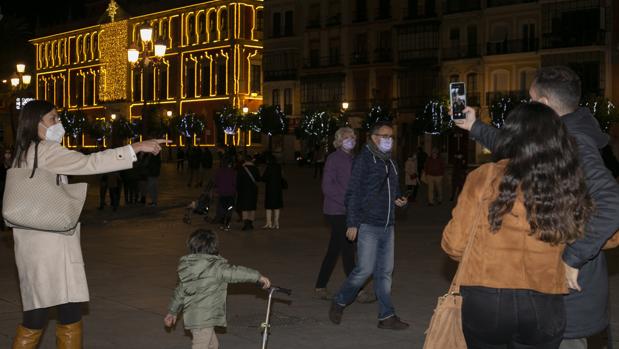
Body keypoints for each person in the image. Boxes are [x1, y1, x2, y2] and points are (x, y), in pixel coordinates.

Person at [454, 66, 619, 349]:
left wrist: (573, 257)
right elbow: (518, 147)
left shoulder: (576, 143)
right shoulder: (558, 135)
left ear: (543, 105)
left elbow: (612, 201)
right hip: (548, 297)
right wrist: (475, 127)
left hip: (566, 298)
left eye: (530, 99)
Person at [9, 100, 164, 349]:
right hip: (50, 247)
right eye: (53, 119)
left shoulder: (23, 152)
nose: (58, 123)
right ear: (35, 123)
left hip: (34, 245)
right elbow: (90, 163)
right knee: (41, 315)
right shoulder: (46, 151)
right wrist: (135, 147)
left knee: (64, 309)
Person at [442, 102, 594, 348]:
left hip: (486, 298)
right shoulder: (566, 180)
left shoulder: (484, 176)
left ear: (510, 135)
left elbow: (454, 244)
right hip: (544, 299)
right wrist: (573, 258)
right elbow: (606, 234)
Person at [329, 121, 409, 330]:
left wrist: (400, 199)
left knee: (384, 273)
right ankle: (339, 301)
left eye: (391, 137)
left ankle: (386, 316)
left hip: (388, 225)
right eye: (385, 136)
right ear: (374, 137)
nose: (389, 140)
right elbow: (352, 193)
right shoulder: (364, 160)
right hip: (368, 225)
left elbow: (394, 190)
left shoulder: (391, 163)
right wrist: (353, 223)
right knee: (364, 270)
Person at [164, 229, 271, 349]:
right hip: (204, 319)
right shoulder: (216, 267)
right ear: (214, 246)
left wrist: (172, 312)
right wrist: (257, 277)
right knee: (201, 346)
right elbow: (236, 273)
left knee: (213, 345)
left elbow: (180, 291)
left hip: (195, 317)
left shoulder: (188, 267)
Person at [314, 127, 357, 300]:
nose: (351, 140)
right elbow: (327, 187)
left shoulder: (354, 158)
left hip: (350, 210)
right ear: (339, 141)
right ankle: (357, 290)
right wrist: (346, 200)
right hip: (336, 210)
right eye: (347, 137)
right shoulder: (333, 159)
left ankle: (320, 286)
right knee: (348, 249)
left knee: (334, 249)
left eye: (353, 137)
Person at [236, 155, 260, 230]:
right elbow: (258, 179)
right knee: (252, 207)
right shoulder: (256, 169)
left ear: (245, 161)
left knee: (245, 207)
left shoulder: (241, 169)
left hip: (243, 191)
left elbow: (238, 181)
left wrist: (238, 190)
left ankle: (246, 224)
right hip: (253, 190)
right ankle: (250, 223)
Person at [261, 154, 283, 229]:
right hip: (277, 189)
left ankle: (269, 223)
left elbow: (264, 178)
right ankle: (276, 223)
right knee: (276, 207)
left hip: (270, 189)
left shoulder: (269, 167)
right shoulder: (278, 167)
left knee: (269, 207)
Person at [213, 158, 236, 231]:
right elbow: (235, 182)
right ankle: (227, 224)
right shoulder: (232, 172)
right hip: (230, 194)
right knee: (229, 209)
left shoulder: (219, 172)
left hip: (222, 193)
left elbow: (216, 183)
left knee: (222, 208)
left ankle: (222, 224)